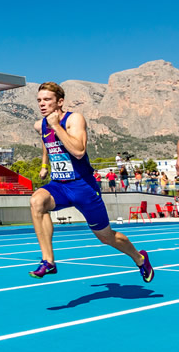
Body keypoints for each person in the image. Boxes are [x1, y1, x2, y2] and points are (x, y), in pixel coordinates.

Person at [29, 82, 153, 282]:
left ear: (60, 102)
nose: (42, 104)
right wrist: (44, 165)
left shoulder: (74, 119)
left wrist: (56, 126)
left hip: (83, 186)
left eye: (47, 100)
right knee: (37, 201)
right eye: (39, 101)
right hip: (59, 185)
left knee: (105, 237)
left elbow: (79, 151)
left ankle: (140, 258)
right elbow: (46, 142)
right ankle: (48, 261)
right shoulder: (39, 124)